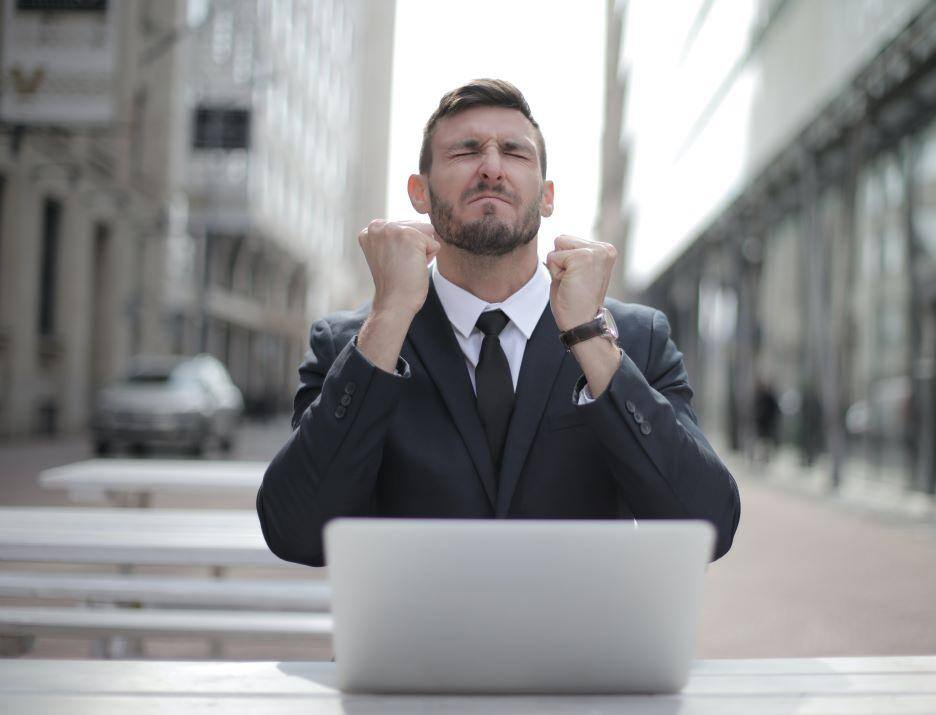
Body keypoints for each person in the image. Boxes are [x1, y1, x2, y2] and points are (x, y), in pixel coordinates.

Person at [257, 79, 740, 566]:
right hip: (408, 644)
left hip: (582, 644)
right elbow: (295, 532)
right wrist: (389, 317)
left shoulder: (634, 338)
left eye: (514, 152)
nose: (491, 168)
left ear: (547, 197)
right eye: (466, 151)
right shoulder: (351, 344)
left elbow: (707, 528)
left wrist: (588, 336)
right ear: (418, 193)